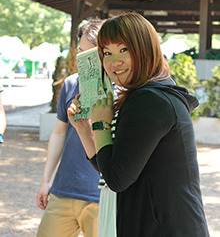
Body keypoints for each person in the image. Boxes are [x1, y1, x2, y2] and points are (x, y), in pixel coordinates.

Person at [68, 12, 210, 237]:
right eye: (107, 53)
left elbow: (116, 179)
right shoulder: (152, 93)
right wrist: (85, 130)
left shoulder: (149, 100)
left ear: (145, 49)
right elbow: (114, 166)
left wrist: (101, 124)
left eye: (124, 49)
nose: (115, 62)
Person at [36, 18, 106, 237]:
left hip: (101, 195)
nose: (85, 59)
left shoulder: (121, 89)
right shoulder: (70, 83)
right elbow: (59, 132)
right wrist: (46, 181)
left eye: (92, 53)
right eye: (82, 52)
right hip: (63, 190)